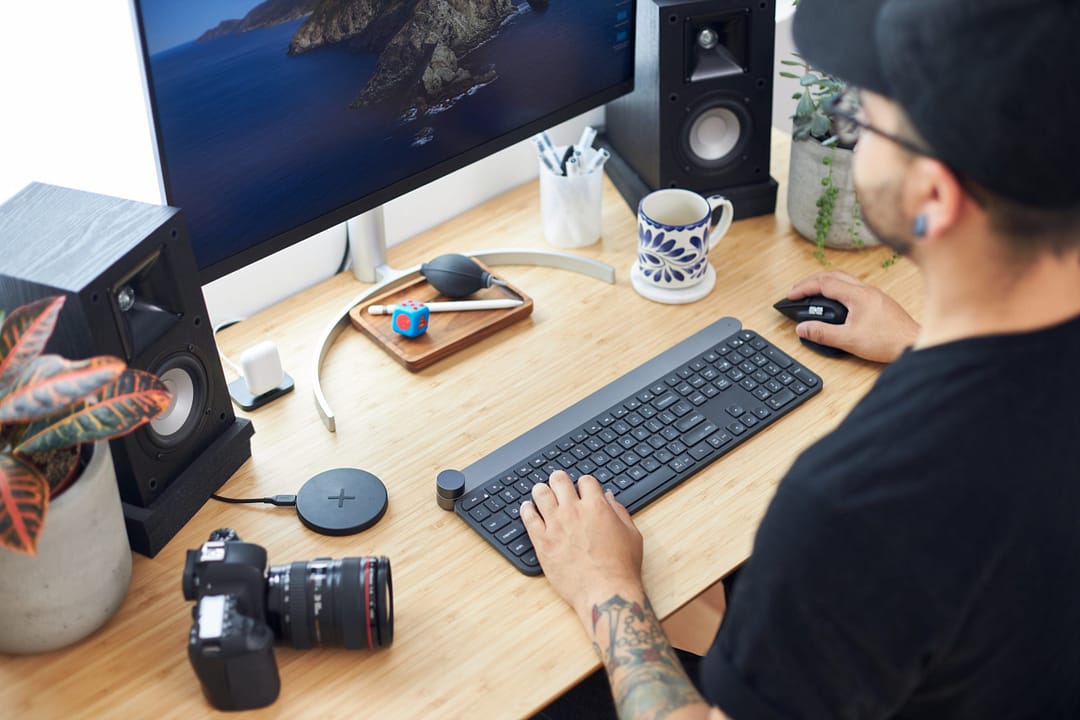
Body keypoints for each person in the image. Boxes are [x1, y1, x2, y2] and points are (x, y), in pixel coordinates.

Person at [523, 0, 1080, 717]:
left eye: (863, 120)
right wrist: (917, 346)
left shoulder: (859, 508)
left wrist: (607, 587)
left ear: (932, 196)